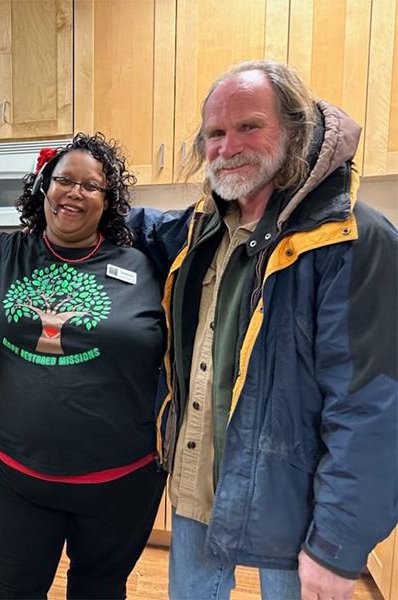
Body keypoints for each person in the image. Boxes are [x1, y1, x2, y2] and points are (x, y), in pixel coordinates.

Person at [127, 60, 398, 600]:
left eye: (249, 126)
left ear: (295, 132)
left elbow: (371, 406)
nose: (229, 146)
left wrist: (337, 548)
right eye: (215, 133)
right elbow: (131, 224)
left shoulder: (354, 240)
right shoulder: (198, 230)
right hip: (197, 479)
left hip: (296, 504)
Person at [0, 133, 167, 599]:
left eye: (91, 186)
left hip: (121, 483)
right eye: (64, 180)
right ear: (43, 188)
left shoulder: (144, 267)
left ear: (109, 200)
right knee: (14, 590)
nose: (75, 192)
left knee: (100, 591)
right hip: (17, 476)